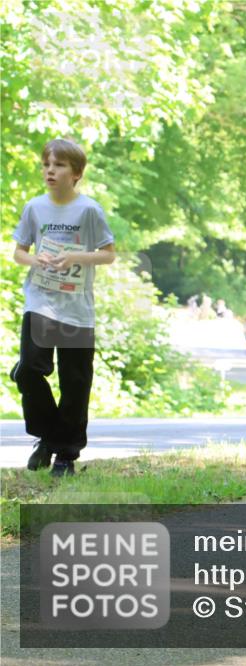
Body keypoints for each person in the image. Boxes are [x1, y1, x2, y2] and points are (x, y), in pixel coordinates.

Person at [10, 138, 116, 477]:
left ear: (76, 174)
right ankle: (49, 434)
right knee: (29, 369)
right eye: (46, 165)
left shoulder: (89, 210)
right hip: (40, 301)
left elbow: (108, 254)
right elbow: (18, 252)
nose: (49, 171)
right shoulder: (34, 207)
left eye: (58, 165)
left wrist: (74, 256)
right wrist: (34, 259)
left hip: (76, 308)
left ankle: (65, 456)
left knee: (75, 381)